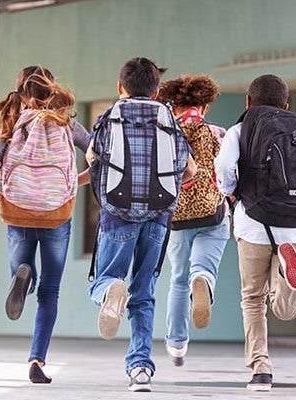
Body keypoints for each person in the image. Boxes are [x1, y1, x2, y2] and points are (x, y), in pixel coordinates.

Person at [215, 74, 296, 392]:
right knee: (286, 309)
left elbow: (224, 166)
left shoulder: (241, 129)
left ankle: (261, 368)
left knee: (253, 300)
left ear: (248, 102)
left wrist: (230, 191)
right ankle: (287, 278)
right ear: (286, 103)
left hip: (253, 224)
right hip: (295, 228)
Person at [85, 57, 196, 392]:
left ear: (121, 88)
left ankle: (110, 291)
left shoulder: (110, 116)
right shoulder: (168, 118)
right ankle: (140, 370)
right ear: (157, 89)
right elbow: (188, 169)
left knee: (103, 279)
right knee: (144, 291)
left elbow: (92, 158)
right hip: (159, 215)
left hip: (117, 212)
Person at [0, 66, 82, 384]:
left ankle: (22, 274)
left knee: (22, 269)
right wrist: (73, 183)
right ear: (51, 90)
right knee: (49, 293)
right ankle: (37, 358)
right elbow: (96, 152)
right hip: (56, 213)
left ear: (22, 93)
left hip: (19, 209)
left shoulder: (14, 120)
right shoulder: (65, 120)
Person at [156, 75, 230, 367]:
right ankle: (204, 281)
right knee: (203, 268)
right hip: (212, 213)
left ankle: (176, 343)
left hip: (176, 218)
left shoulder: (166, 133)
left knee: (177, 279)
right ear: (205, 105)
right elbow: (229, 174)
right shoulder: (217, 132)